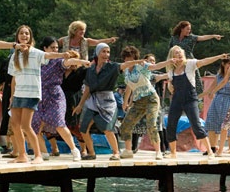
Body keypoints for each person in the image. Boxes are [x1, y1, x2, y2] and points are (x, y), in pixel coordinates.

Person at [7, 26, 71, 164]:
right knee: (15, 125)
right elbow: (13, 78)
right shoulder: (14, 56)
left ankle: (38, 155)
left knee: (26, 125)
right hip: (18, 94)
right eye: (22, 33)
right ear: (17, 36)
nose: (24, 35)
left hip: (31, 93)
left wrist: (62, 55)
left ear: (30, 37)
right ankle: (22, 155)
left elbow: (49, 55)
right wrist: (12, 96)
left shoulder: (35, 53)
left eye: (27, 33)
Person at [72, 43, 145, 161]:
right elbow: (88, 89)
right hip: (93, 101)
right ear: (97, 52)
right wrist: (80, 104)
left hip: (107, 101)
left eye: (108, 52)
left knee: (107, 128)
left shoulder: (112, 66)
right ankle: (91, 153)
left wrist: (137, 62)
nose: (106, 54)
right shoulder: (90, 69)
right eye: (103, 51)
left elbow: (124, 65)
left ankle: (116, 152)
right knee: (83, 128)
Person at [31, 38, 90, 162]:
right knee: (35, 125)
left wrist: (82, 61)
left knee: (59, 123)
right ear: (45, 49)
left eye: (57, 48)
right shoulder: (38, 61)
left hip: (55, 95)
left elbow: (68, 62)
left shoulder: (58, 61)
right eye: (53, 48)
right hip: (40, 96)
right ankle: (44, 152)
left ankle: (75, 150)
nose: (56, 50)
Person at [164, 45, 228, 159]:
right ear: (171, 56)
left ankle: (209, 152)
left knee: (196, 125)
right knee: (171, 124)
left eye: (180, 52)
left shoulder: (190, 64)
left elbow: (204, 61)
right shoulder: (171, 70)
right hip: (177, 99)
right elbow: (170, 84)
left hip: (190, 99)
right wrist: (170, 85)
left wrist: (219, 57)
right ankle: (173, 153)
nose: (178, 54)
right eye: (175, 53)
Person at [118, 46, 176, 160]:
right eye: (127, 58)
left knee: (151, 124)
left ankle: (158, 151)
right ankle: (128, 150)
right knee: (125, 125)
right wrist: (126, 102)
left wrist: (169, 62)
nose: (129, 61)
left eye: (132, 58)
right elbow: (129, 86)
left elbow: (155, 66)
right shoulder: (125, 71)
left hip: (151, 99)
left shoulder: (141, 66)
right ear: (124, 59)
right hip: (138, 101)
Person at [168, 21, 223, 95]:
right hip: (177, 63)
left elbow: (202, 37)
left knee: (194, 81)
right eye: (187, 29)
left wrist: (213, 36)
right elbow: (170, 52)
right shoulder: (174, 38)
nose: (189, 31)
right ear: (182, 29)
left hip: (189, 62)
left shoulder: (191, 38)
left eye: (190, 29)